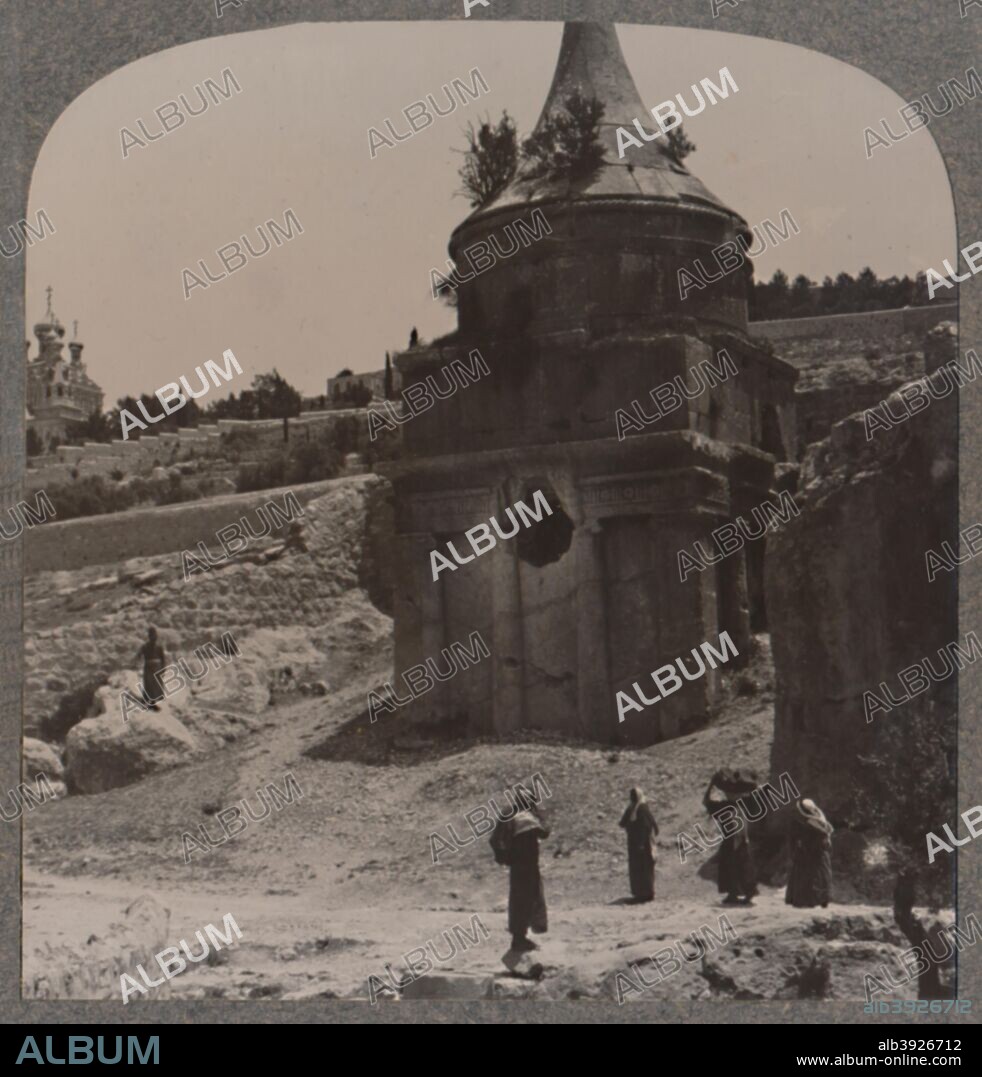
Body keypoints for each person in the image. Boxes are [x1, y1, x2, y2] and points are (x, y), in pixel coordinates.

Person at [490, 790, 549, 952]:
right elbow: (545, 832)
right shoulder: (526, 817)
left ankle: (520, 936)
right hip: (526, 866)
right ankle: (519, 938)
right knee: (524, 900)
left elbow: (495, 839)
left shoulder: (510, 814)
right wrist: (541, 814)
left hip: (521, 865)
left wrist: (504, 858)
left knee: (523, 900)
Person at [703, 767, 759, 906]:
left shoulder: (734, 807)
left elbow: (739, 828)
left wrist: (711, 785)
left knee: (741, 868)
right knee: (732, 868)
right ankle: (734, 894)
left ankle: (745, 894)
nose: (728, 794)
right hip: (732, 841)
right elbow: (707, 803)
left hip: (737, 842)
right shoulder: (730, 806)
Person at [785, 797, 833, 908]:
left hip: (810, 852)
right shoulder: (821, 819)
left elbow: (805, 837)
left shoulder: (809, 822)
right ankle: (822, 899)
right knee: (821, 875)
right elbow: (827, 835)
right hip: (818, 852)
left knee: (810, 875)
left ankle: (809, 900)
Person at [619, 787, 658, 903]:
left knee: (645, 868)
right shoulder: (632, 808)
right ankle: (638, 893)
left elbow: (649, 825)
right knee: (636, 869)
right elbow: (622, 823)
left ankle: (647, 893)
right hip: (634, 845)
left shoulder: (643, 808)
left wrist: (642, 842)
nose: (632, 798)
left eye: (634, 796)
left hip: (644, 845)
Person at [136, 626, 166, 710]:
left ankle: (153, 703)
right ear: (149, 637)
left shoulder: (159, 647)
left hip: (157, 668)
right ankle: (149, 703)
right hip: (148, 668)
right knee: (149, 685)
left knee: (156, 686)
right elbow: (139, 655)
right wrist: (137, 663)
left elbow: (163, 658)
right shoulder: (145, 646)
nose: (153, 638)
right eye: (152, 636)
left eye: (154, 636)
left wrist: (163, 668)